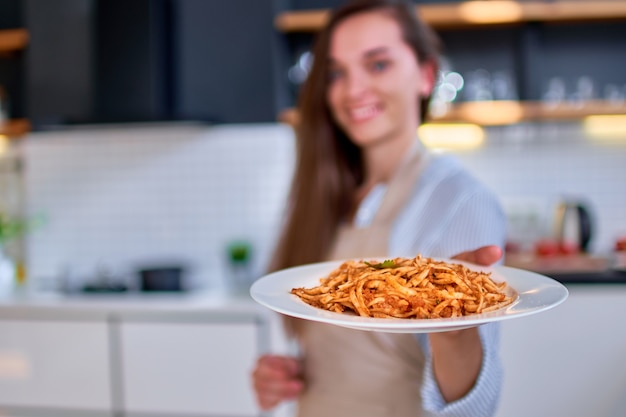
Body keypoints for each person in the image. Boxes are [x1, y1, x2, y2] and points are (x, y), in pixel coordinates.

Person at [252, 0, 507, 416]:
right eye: (336, 72)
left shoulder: (460, 200)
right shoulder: (322, 198)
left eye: (378, 64)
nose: (353, 90)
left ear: (425, 76)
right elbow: (347, 351)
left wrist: (454, 334)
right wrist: (287, 374)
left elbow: (477, 408)